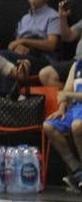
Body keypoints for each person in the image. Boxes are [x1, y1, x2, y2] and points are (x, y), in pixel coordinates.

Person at [43, 60, 82, 191]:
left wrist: (68, 95)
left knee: (77, 126)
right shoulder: (77, 65)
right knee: (49, 126)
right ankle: (76, 168)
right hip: (75, 109)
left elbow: (67, 94)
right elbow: (67, 90)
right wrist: (62, 108)